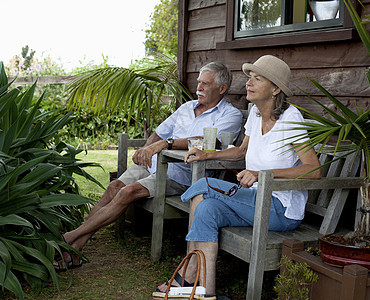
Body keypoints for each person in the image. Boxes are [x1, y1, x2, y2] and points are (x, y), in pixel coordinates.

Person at [154, 55, 322, 298]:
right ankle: (206, 292)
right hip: (254, 202)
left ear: (275, 88)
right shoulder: (255, 113)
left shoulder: (290, 118)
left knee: (205, 185)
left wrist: (261, 174)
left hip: (281, 209)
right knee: (206, 209)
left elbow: (313, 169)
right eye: (249, 78)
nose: (248, 83)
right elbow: (241, 152)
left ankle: (188, 272)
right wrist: (206, 154)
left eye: (257, 78)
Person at [54, 62, 244, 270]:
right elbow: (159, 132)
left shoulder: (230, 115)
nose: (199, 87)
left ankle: (69, 238)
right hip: (155, 165)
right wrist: (145, 151)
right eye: (199, 82)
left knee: (128, 191)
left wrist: (165, 144)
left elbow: (208, 141)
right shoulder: (186, 108)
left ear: (222, 88)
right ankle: (76, 247)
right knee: (114, 187)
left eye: (205, 84)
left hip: (182, 176)